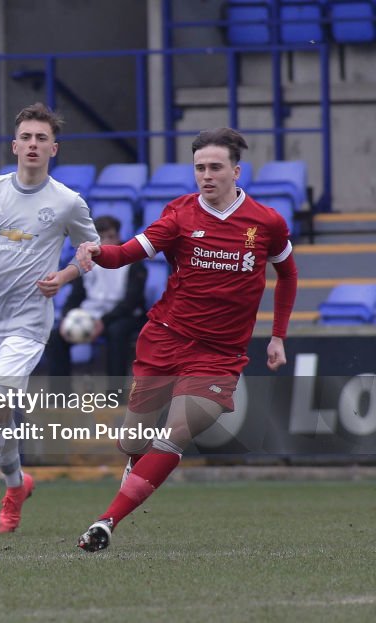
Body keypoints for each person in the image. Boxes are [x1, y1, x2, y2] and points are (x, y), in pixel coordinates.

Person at [73, 127, 298, 552]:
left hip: (219, 355)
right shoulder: (179, 215)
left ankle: (106, 522)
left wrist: (278, 336)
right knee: (133, 441)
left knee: (175, 434)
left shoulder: (266, 222)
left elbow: (287, 274)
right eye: (199, 168)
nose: (206, 175)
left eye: (215, 167)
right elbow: (124, 254)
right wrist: (96, 251)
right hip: (165, 339)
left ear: (236, 169)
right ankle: (136, 470)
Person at [0, 103, 99, 534]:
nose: (33, 144)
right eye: (26, 137)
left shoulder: (68, 202)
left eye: (41, 139)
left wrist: (65, 275)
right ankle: (16, 485)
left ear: (54, 148)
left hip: (30, 323)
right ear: (14, 145)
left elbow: (93, 251)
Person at [45, 215, 147, 382]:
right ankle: (60, 395)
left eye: (111, 237)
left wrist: (104, 322)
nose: (107, 242)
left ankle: (114, 392)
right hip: (91, 315)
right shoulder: (85, 262)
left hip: (122, 316)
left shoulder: (134, 262)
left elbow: (131, 301)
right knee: (56, 336)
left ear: (119, 236)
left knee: (117, 332)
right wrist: (66, 317)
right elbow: (75, 296)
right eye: (102, 238)